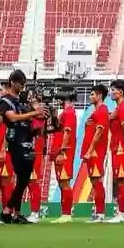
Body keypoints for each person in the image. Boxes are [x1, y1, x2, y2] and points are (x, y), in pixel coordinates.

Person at [0, 70, 47, 224]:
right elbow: (12, 118)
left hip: (27, 139)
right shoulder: (5, 100)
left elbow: (34, 117)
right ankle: (8, 211)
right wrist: (33, 113)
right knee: (23, 177)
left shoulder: (23, 100)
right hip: (16, 140)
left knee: (23, 178)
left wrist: (38, 112)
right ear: (12, 82)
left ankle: (13, 213)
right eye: (20, 84)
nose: (22, 87)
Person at [106, 79, 124, 223]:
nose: (111, 93)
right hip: (118, 147)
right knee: (120, 180)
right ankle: (121, 212)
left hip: (121, 148)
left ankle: (123, 214)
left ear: (120, 92)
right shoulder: (119, 108)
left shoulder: (123, 108)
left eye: (113, 90)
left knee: (123, 180)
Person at [81, 85, 110, 222]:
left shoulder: (102, 110)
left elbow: (99, 132)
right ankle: (98, 212)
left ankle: (100, 213)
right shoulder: (96, 111)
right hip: (93, 152)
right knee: (94, 182)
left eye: (92, 94)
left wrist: (90, 150)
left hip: (96, 153)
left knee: (97, 181)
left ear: (99, 96)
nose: (90, 96)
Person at [50, 91, 77, 224]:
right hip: (60, 151)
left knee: (64, 182)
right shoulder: (65, 113)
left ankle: (67, 214)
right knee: (62, 183)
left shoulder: (69, 113)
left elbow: (67, 133)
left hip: (64, 152)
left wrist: (62, 152)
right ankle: (65, 213)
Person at [0, 82, 14, 215]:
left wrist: (3, 150)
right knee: (1, 181)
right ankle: (5, 209)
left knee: (6, 181)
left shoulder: (10, 109)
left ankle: (9, 211)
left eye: (1, 90)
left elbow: (9, 131)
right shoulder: (2, 110)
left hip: (5, 151)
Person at [27, 90, 47, 223]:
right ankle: (32, 211)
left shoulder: (41, 113)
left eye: (32, 99)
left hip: (36, 151)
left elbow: (36, 129)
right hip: (27, 150)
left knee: (33, 181)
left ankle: (35, 212)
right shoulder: (30, 113)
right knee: (28, 182)